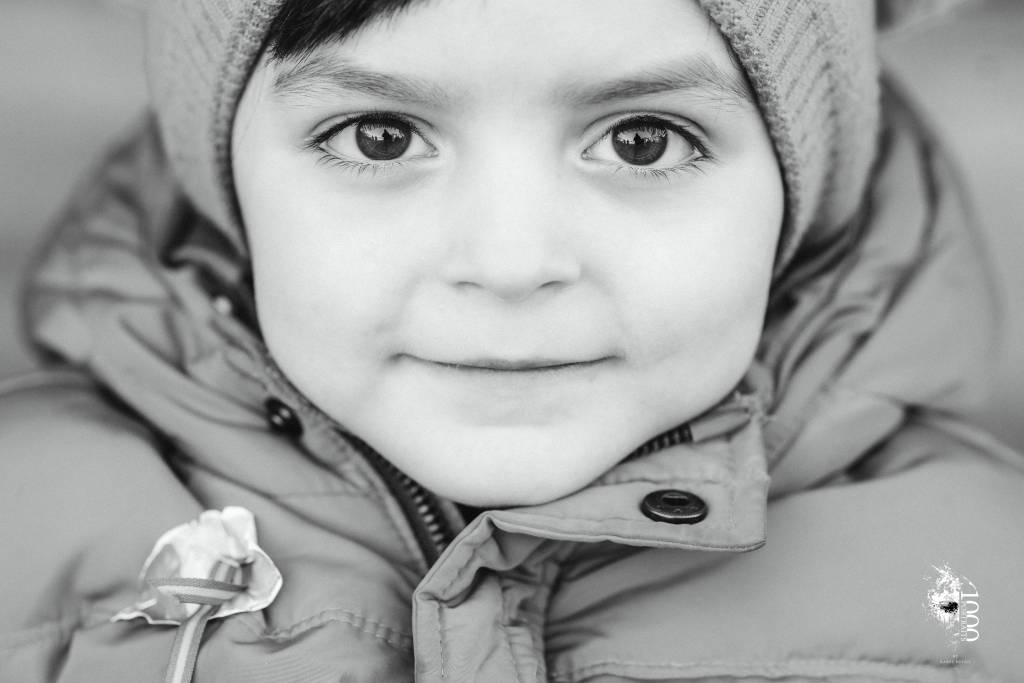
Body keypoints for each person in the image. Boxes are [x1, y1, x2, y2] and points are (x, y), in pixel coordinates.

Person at [1, 0, 1021, 680]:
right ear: (225, 178)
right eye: (380, 136)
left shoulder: (982, 591)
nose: (509, 261)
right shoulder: (25, 539)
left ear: (800, 194)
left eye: (642, 141)